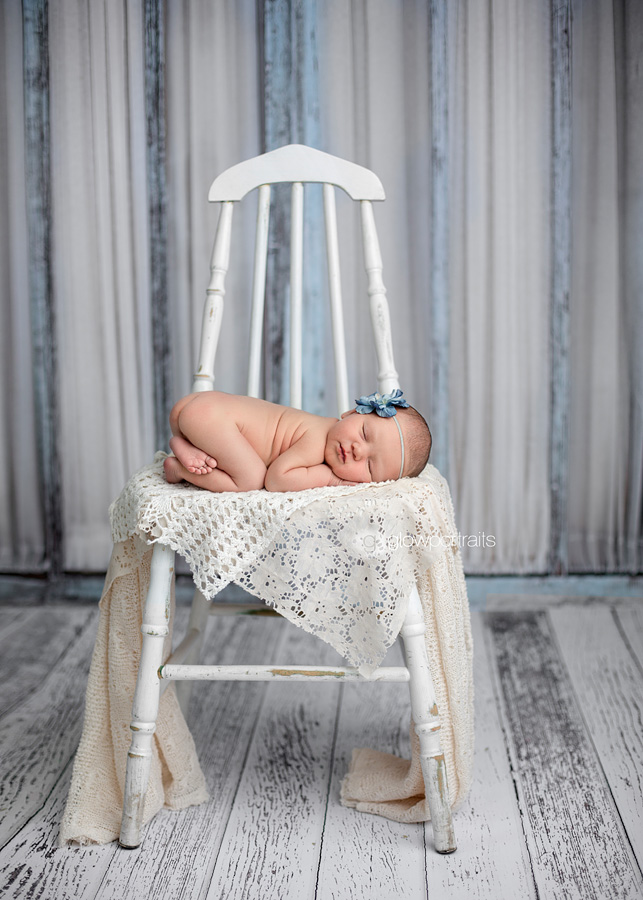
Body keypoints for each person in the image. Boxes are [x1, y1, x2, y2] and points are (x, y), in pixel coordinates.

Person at [163, 388, 432, 493]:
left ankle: (186, 444)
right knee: (252, 478)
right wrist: (330, 479)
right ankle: (179, 469)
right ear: (351, 413)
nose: (357, 451)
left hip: (198, 408)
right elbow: (277, 479)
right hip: (208, 418)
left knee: (238, 461)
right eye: (364, 434)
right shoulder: (316, 439)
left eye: (370, 467)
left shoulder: (322, 428)